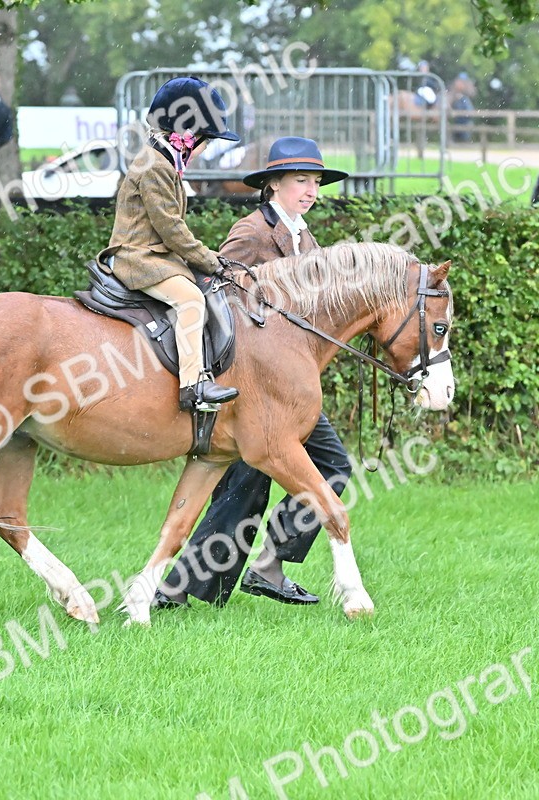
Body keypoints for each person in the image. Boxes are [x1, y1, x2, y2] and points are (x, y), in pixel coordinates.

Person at [155, 136, 352, 608]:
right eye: (300, 181)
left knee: (328, 466)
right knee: (247, 482)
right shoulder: (252, 232)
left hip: (284, 386)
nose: (311, 190)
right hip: (249, 380)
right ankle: (195, 586)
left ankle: (263, 565)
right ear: (273, 185)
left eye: (316, 182)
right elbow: (216, 290)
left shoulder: (304, 235)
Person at [97, 76, 241, 411]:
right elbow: (172, 229)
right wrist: (209, 260)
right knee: (191, 299)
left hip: (155, 255)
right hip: (137, 257)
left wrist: (211, 259)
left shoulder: (164, 163)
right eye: (206, 140)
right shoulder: (154, 167)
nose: (206, 149)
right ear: (188, 136)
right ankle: (194, 386)